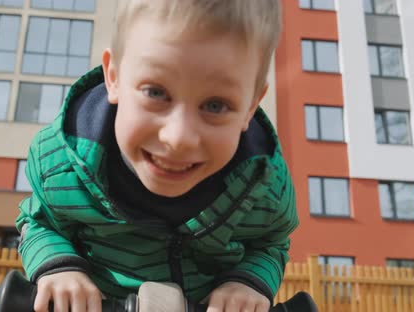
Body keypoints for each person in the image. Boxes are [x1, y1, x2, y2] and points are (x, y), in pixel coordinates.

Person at [16, 1, 299, 311]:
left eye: (215, 105)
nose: (178, 138)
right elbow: (39, 223)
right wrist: (59, 266)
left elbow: (270, 243)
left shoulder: (264, 188)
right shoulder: (61, 168)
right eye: (155, 92)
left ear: (250, 107)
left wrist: (247, 281)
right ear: (114, 77)